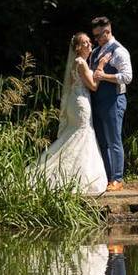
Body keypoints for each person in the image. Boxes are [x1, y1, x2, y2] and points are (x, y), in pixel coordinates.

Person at [28, 32, 110, 194]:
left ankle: (63, 172)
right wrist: (100, 66)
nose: (89, 44)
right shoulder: (81, 63)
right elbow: (93, 85)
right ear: (78, 48)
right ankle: (79, 177)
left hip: (75, 101)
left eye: (89, 42)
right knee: (82, 134)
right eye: (85, 43)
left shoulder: (77, 61)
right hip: (81, 104)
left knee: (73, 135)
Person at [88, 16, 133, 191]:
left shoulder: (120, 51)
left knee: (114, 141)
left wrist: (104, 76)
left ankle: (117, 179)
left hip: (114, 100)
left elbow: (127, 78)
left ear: (108, 31)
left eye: (99, 35)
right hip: (98, 101)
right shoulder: (96, 52)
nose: (96, 39)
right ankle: (107, 177)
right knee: (102, 142)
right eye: (95, 36)